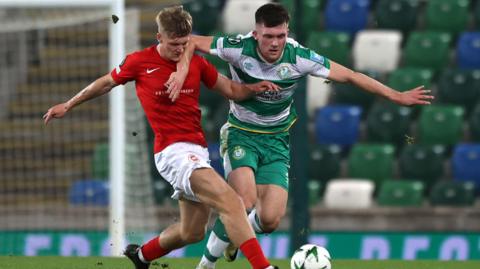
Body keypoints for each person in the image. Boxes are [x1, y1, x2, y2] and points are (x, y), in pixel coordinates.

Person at [166, 3, 434, 269]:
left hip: (277, 139)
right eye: (268, 36)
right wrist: (180, 72)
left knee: (270, 220)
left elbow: (350, 75)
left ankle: (237, 235)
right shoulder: (236, 46)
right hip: (241, 134)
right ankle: (205, 265)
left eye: (280, 36)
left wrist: (396, 95)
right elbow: (190, 42)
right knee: (243, 201)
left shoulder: (299, 57)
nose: (275, 43)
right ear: (256, 34)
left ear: (287, 33)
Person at [43, 6, 280, 269]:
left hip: (196, 151)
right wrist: (69, 104)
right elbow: (105, 82)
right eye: (173, 44)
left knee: (192, 232)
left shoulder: (196, 64)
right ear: (159, 38)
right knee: (232, 202)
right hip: (172, 152)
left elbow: (231, 90)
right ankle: (263, 267)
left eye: (184, 43)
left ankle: (141, 256)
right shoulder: (139, 62)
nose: (180, 50)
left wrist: (253, 88)